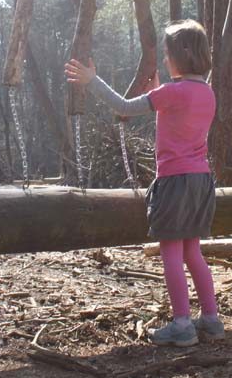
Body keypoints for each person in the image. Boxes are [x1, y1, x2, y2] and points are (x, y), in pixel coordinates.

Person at [64, 19, 223, 346]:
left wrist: (92, 81)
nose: (164, 60)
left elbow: (123, 107)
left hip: (175, 182)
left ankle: (182, 325)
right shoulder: (206, 92)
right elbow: (180, 111)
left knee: (170, 254)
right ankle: (211, 319)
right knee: (193, 253)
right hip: (201, 182)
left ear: (182, 55)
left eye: (167, 54)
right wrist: (159, 91)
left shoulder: (172, 93)